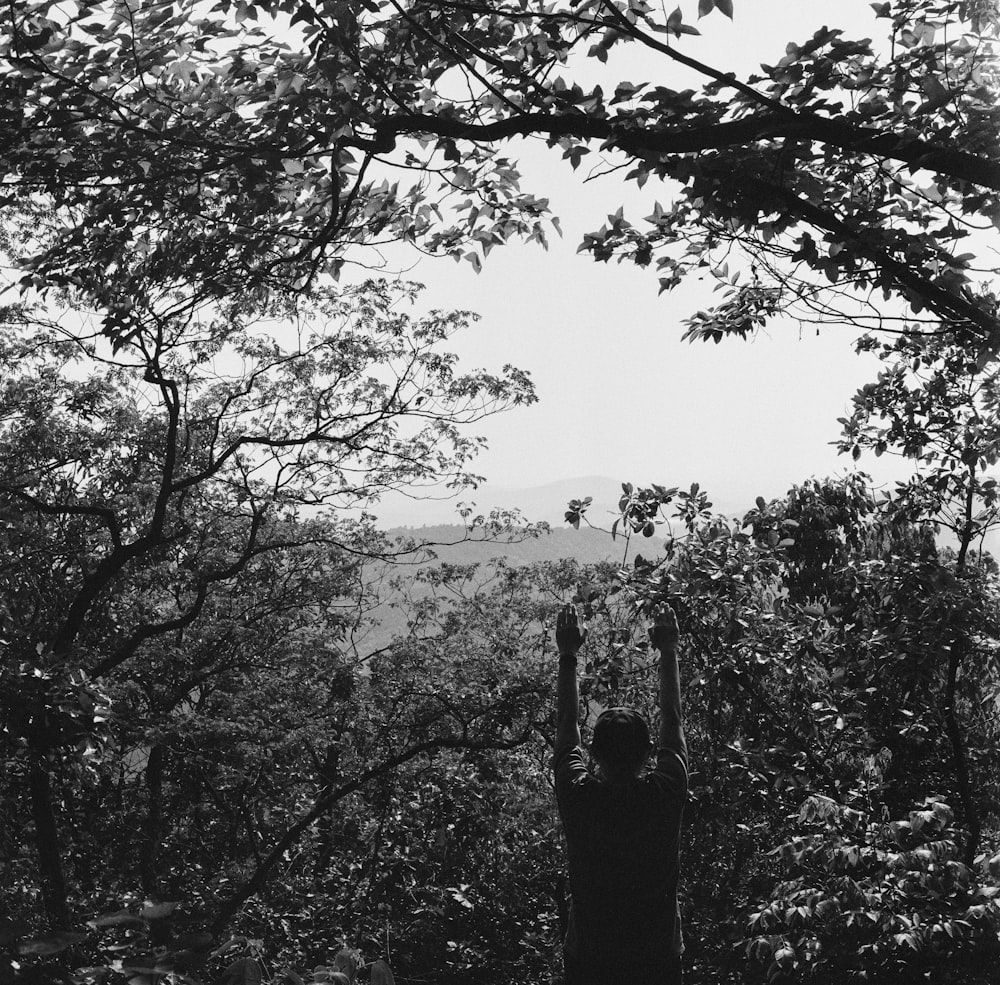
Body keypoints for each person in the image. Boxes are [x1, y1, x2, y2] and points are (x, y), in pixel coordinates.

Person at [553, 602, 688, 985]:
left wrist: (568, 655)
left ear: (593, 754)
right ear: (649, 753)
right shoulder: (666, 793)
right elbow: (673, 720)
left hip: (592, 960)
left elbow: (565, 726)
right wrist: (669, 650)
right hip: (657, 958)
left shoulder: (579, 797)